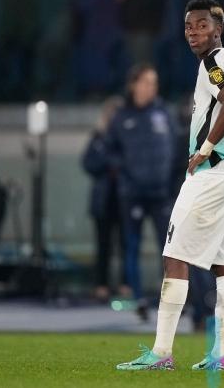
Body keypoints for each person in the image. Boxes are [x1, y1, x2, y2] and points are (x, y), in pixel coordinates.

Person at [117, 0, 224, 371]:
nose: (193, 32)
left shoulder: (213, 64)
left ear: (218, 29)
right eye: (188, 26)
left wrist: (206, 148)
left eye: (202, 25)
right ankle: (221, 354)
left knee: (174, 256)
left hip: (211, 175)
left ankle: (161, 353)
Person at [105, 64, 176, 320]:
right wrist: (123, 172)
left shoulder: (163, 113)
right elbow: (109, 150)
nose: (150, 87)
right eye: (145, 82)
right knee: (132, 247)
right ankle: (139, 299)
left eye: (153, 83)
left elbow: (178, 147)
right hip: (132, 194)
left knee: (168, 250)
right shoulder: (121, 116)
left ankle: (169, 300)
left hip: (161, 193)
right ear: (133, 85)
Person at [81, 97, 128, 302]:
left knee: (126, 245)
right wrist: (110, 163)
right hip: (104, 199)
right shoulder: (98, 137)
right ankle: (101, 285)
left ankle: (126, 284)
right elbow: (88, 163)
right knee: (103, 246)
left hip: (125, 198)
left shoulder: (129, 137)